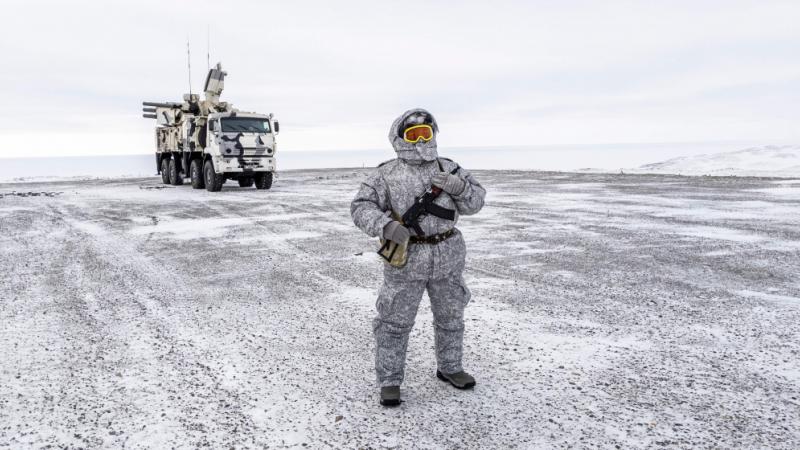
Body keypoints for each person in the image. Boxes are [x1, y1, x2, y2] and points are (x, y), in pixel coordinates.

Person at [350, 108, 486, 406]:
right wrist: (385, 225)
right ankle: (389, 380)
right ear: (400, 139)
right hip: (406, 259)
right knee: (393, 322)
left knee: (451, 317)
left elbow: (475, 203)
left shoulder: (450, 168)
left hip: (447, 255)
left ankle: (450, 367)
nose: (421, 141)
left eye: (426, 133)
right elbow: (360, 207)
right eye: (413, 135)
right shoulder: (385, 174)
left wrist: (460, 188)